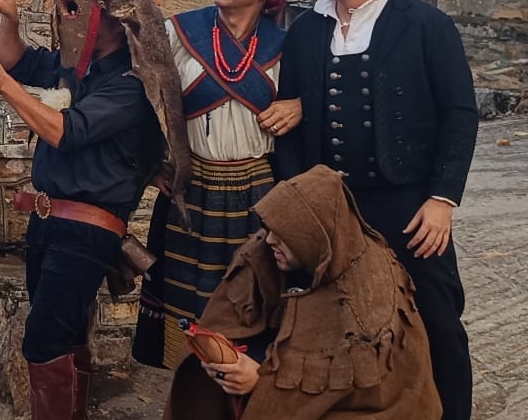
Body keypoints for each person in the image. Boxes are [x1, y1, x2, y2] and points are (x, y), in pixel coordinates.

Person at [270, 0, 479, 420]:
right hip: (333, 203)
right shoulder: (307, 30)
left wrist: (442, 199)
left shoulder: (426, 25)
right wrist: (300, 196)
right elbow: (293, 116)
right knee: (333, 315)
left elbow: (459, 114)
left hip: (407, 200)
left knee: (434, 314)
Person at [0, 0, 168, 420]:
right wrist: (10, 18)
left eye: (77, 7)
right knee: (65, 337)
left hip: (85, 231)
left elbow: (65, 131)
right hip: (48, 222)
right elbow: (14, 60)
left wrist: (4, 88)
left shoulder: (132, 83)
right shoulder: (75, 64)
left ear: (114, 18)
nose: (66, 17)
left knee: (45, 340)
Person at [162, 165, 442, 420]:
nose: (269, 239)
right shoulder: (266, 251)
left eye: (281, 235)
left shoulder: (368, 299)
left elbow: (346, 392)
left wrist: (260, 383)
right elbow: (229, 317)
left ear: (312, 236)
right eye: (269, 230)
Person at [133, 0, 293, 369]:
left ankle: (245, 389)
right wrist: (151, 166)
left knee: (251, 293)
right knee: (188, 299)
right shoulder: (179, 32)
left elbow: (313, 107)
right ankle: (189, 387)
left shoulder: (289, 48)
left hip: (257, 190)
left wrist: (300, 105)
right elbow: (142, 98)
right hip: (191, 186)